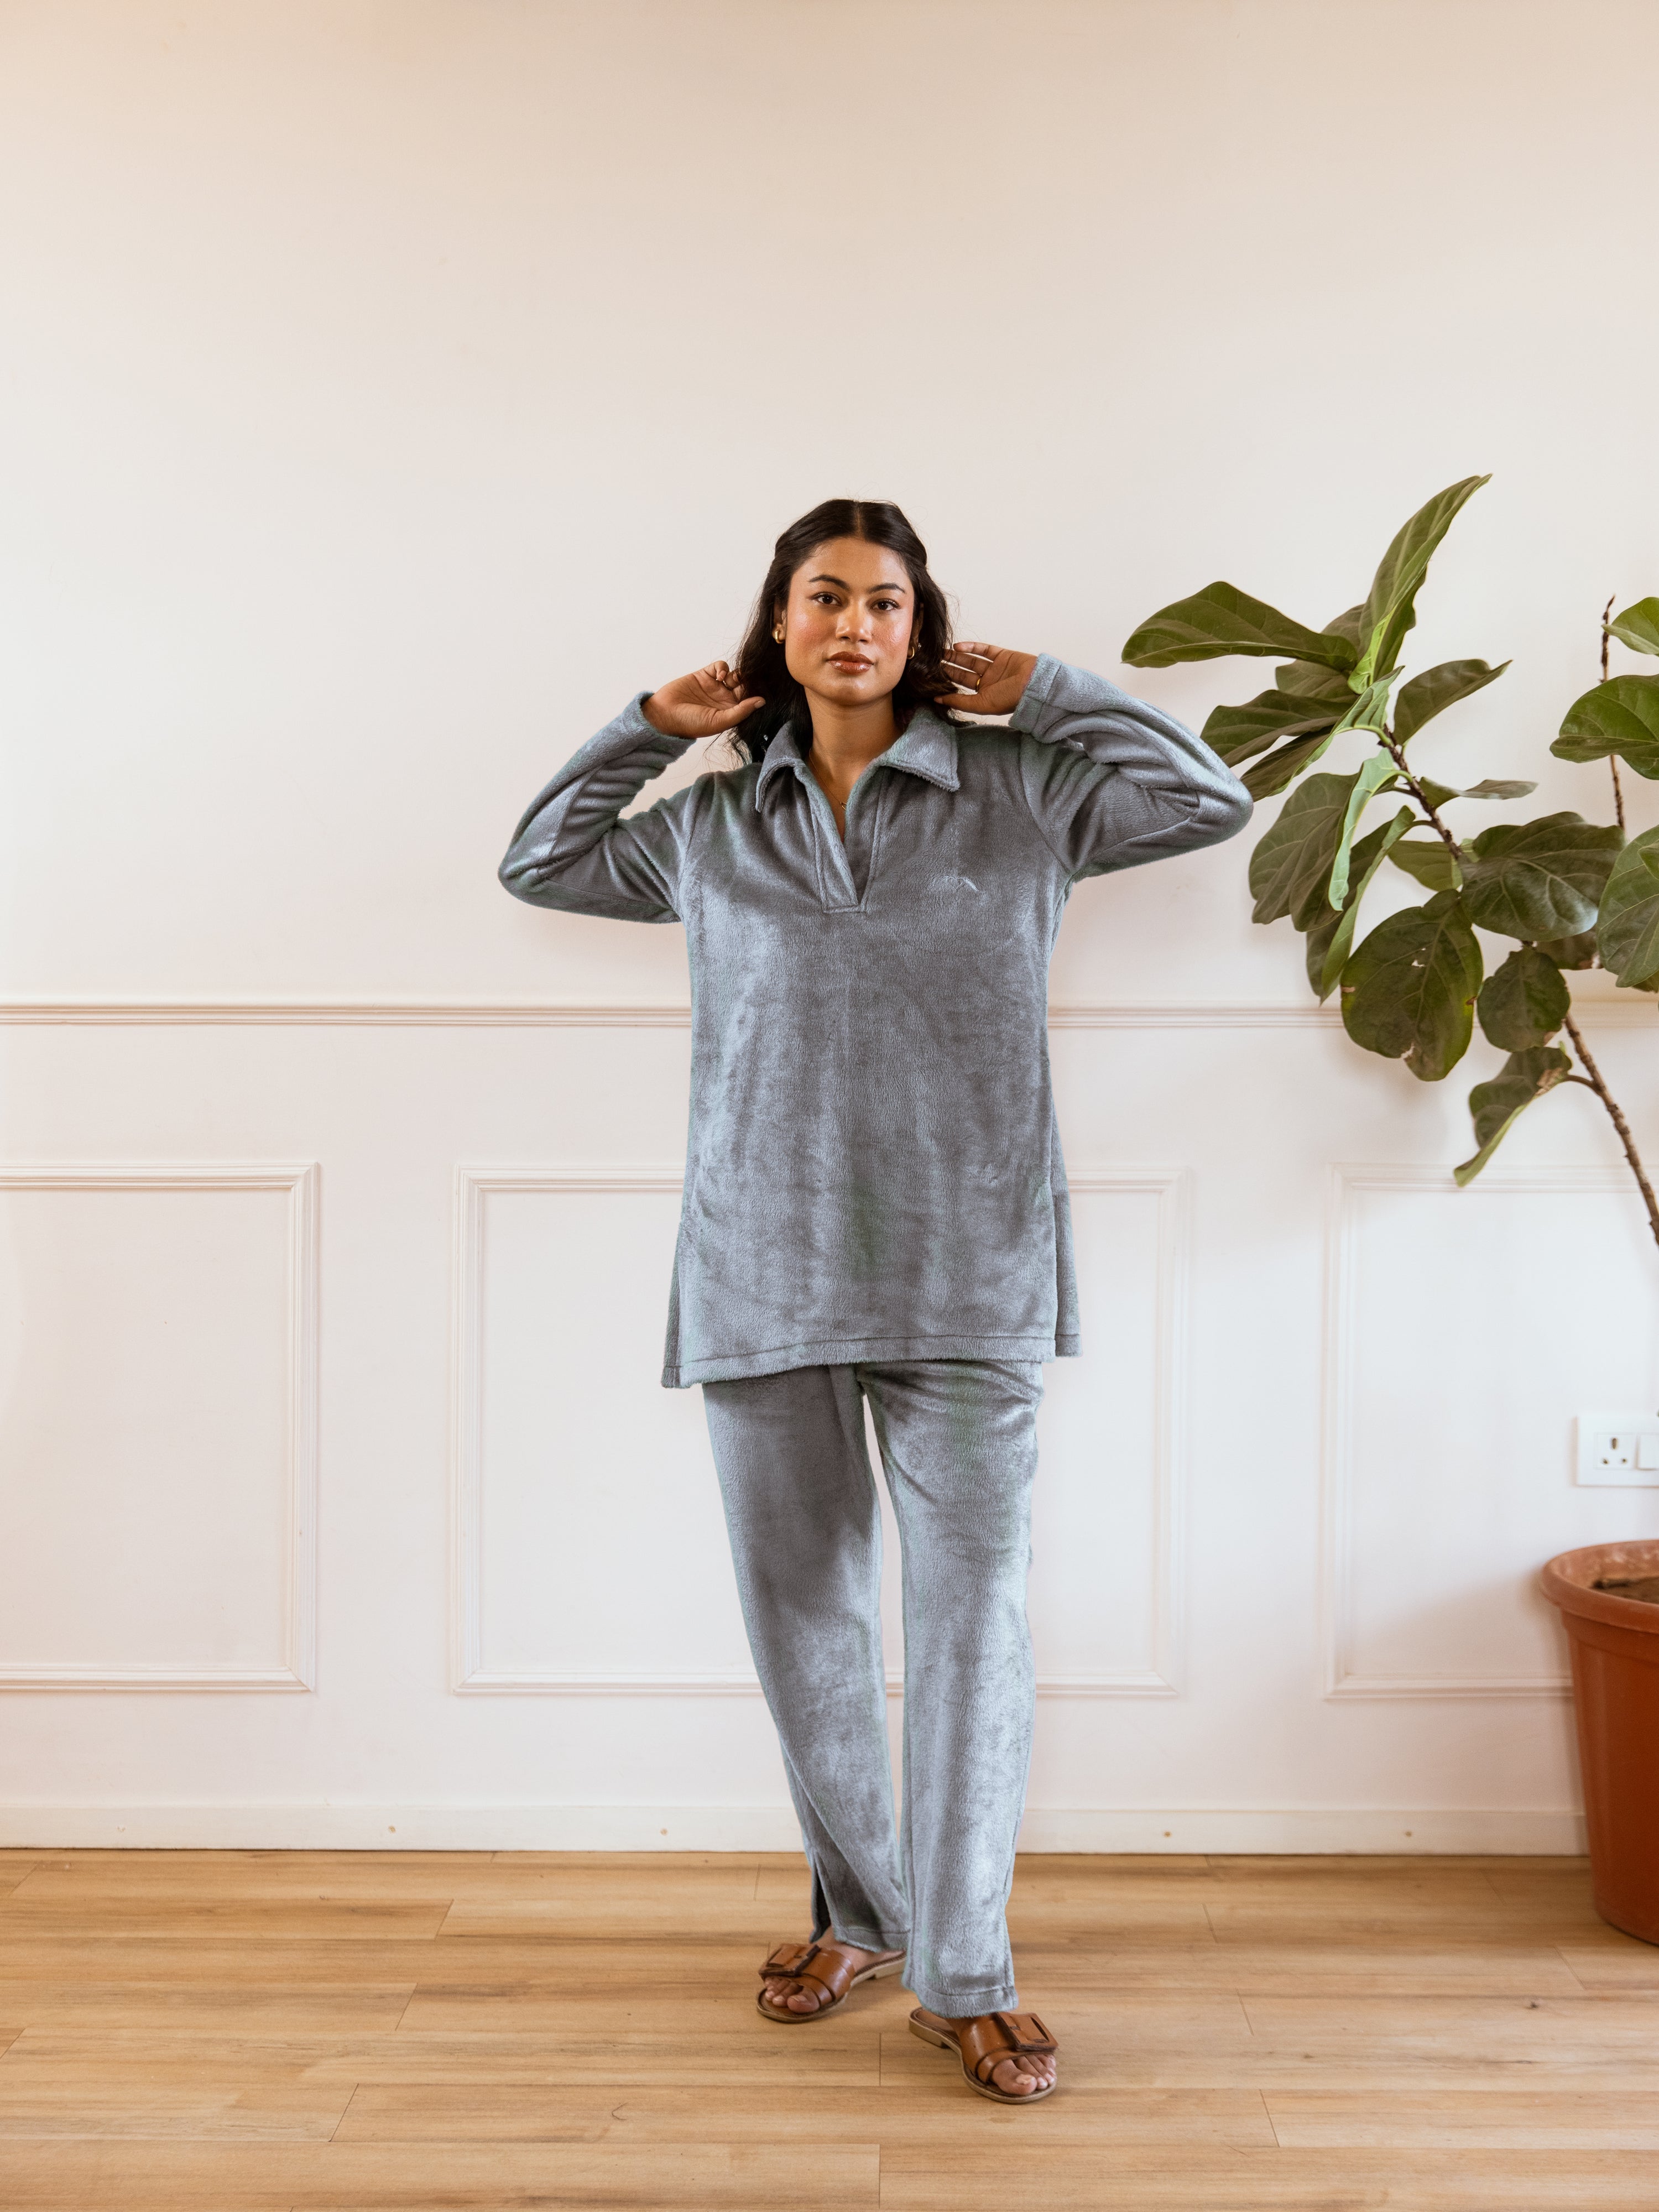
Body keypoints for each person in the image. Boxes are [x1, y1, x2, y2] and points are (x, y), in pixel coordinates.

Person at [499, 498, 1251, 2105]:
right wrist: (645, 727)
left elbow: (1208, 798)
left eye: (886, 601)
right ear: (778, 626)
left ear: (924, 629)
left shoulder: (1026, 792)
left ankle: (967, 1971)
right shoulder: (709, 825)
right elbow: (539, 859)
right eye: (825, 597)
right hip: (759, 1262)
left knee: (973, 1624)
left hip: (973, 1267)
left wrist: (1056, 695)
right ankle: (862, 1915)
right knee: (806, 1624)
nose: (855, 624)